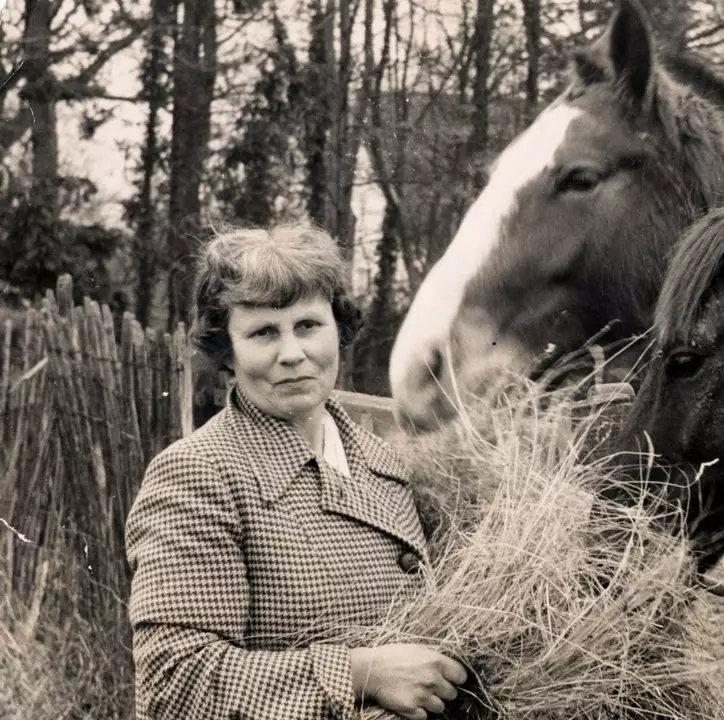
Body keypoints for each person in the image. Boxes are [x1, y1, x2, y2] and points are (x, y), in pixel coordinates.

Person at [125, 223, 468, 720]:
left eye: (308, 325)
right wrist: (358, 673)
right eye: (264, 332)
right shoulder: (197, 474)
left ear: (338, 327)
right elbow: (176, 684)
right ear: (228, 351)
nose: (291, 354)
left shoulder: (384, 461)